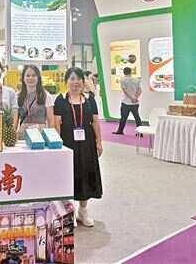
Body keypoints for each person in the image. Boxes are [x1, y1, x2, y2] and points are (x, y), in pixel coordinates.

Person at [54, 67, 103, 227]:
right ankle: (71, 211)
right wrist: (58, 146)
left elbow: (95, 122)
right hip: (67, 143)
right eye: (72, 79)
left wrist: (99, 142)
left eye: (78, 79)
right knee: (69, 175)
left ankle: (83, 210)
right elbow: (57, 124)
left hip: (87, 144)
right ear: (66, 81)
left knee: (86, 174)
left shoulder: (89, 100)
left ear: (83, 81)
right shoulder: (60, 100)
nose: (75, 82)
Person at [15, 65, 55, 139]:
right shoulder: (17, 96)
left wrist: (51, 138)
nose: (31, 78)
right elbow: (15, 119)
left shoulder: (46, 96)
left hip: (41, 135)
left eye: (34, 75)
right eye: (28, 75)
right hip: (23, 134)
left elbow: (51, 120)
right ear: (23, 78)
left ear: (38, 78)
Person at [114, 67, 142, 135]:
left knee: (123, 118)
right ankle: (140, 133)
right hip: (135, 103)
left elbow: (125, 91)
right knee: (137, 118)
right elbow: (140, 90)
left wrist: (131, 98)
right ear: (130, 72)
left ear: (124, 72)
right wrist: (135, 98)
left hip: (126, 102)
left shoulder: (123, 80)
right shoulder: (136, 80)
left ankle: (120, 131)